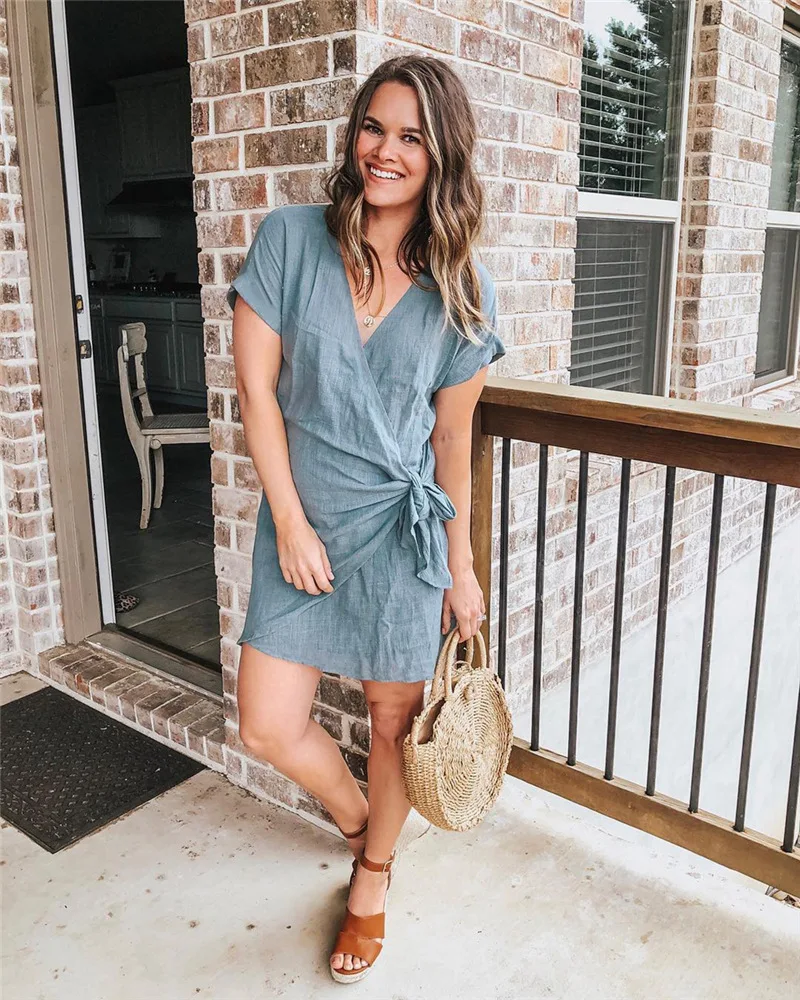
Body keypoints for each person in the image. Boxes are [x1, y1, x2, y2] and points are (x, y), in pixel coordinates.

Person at [228, 55, 505, 984]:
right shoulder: (290, 239)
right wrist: (290, 522)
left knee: (393, 724)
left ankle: (374, 878)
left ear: (442, 156)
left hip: (400, 535)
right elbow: (256, 396)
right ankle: (358, 823)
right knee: (268, 724)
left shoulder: (463, 288)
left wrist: (462, 568)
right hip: (302, 525)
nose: (386, 150)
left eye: (412, 137)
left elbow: (452, 443)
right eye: (374, 128)